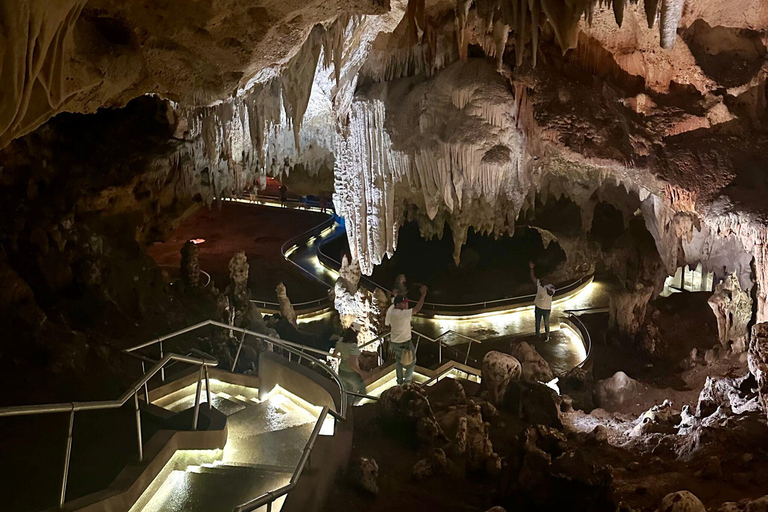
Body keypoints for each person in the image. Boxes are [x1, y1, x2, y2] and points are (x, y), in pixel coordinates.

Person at [385, 284, 427, 385]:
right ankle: (407, 383)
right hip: (404, 342)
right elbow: (417, 309)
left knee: (399, 361)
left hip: (394, 341)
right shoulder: (401, 313)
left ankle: (399, 382)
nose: (406, 305)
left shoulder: (391, 311)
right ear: (398, 304)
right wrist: (423, 295)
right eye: (404, 303)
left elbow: (387, 323)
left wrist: (396, 297)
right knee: (411, 361)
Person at [334, 328, 366, 403]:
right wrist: (361, 373)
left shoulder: (340, 342)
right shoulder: (353, 346)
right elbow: (352, 364)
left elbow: (334, 354)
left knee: (346, 391)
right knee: (362, 391)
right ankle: (354, 405)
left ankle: (345, 407)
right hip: (351, 373)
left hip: (342, 371)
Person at [529, 262, 555, 341]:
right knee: (537, 322)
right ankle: (537, 334)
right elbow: (533, 277)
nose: (543, 280)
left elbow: (550, 293)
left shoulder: (551, 287)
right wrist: (531, 268)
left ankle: (547, 336)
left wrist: (545, 286)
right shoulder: (539, 283)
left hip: (546, 309)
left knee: (546, 323)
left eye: (545, 279)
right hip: (538, 307)